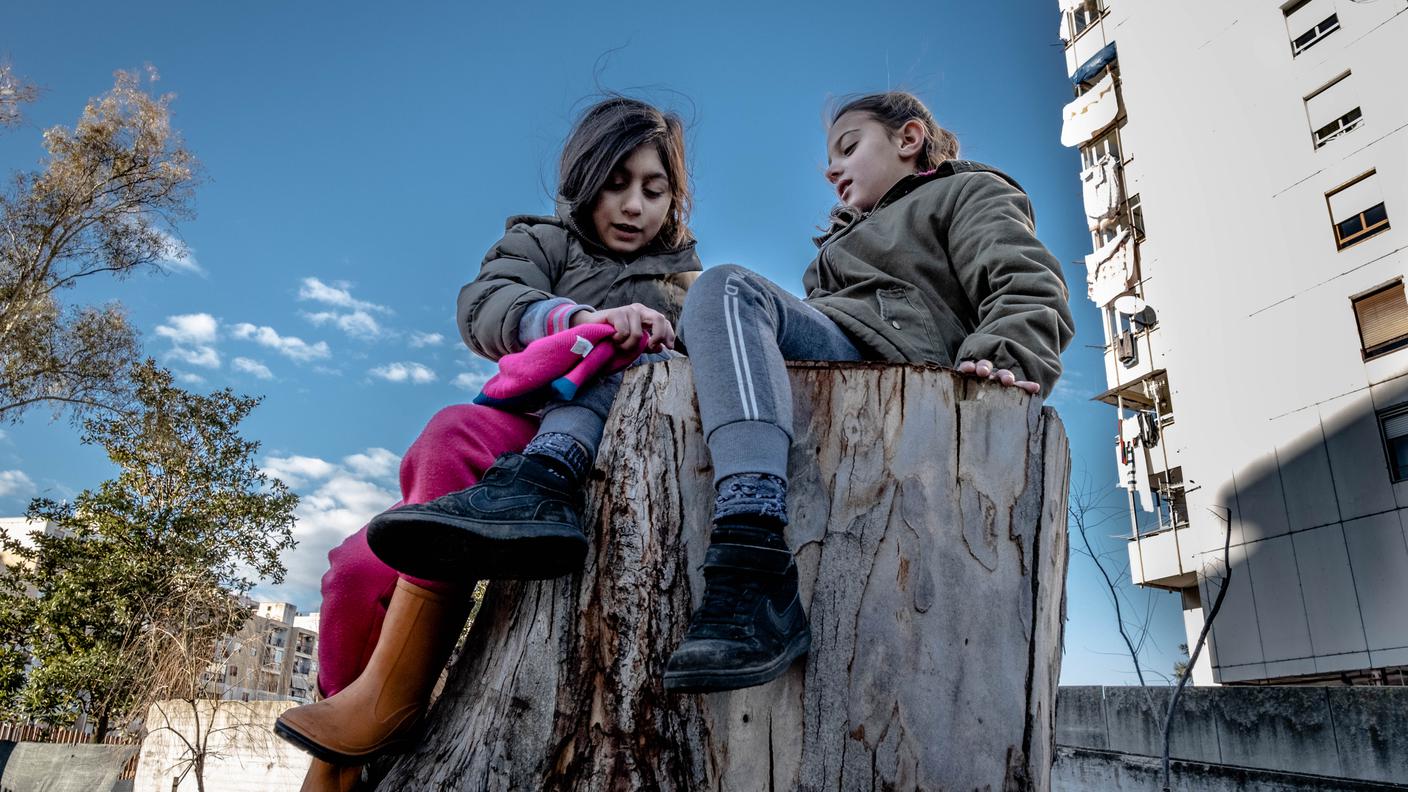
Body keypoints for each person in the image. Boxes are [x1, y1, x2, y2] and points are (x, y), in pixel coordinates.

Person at [274, 96, 700, 791]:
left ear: (674, 199)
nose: (633, 207)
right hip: (521, 427)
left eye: (654, 191)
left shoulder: (685, 280)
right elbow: (488, 305)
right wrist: (578, 319)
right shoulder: (541, 242)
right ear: (583, 182)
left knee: (447, 439)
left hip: (607, 443)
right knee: (355, 568)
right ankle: (347, 743)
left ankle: (390, 702)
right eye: (616, 185)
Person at [661, 91, 1075, 694]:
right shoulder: (832, 252)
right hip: (833, 375)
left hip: (903, 370)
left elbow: (1024, 279)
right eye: (830, 158)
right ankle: (746, 535)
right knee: (713, 306)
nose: (832, 169)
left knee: (727, 287)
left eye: (848, 147)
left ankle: (751, 561)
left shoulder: (966, 193)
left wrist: (1002, 356)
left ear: (908, 140)